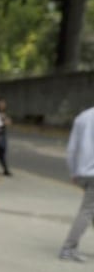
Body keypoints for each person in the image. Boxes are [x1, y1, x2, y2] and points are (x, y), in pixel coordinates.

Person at [58, 106, 94, 263]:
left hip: (83, 171)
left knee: (90, 208)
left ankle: (69, 248)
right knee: (87, 210)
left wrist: (73, 171)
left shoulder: (83, 116)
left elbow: (72, 148)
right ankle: (68, 248)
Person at [0, 97, 12, 176]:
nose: (3, 105)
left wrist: (4, 122)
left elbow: (8, 123)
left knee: (2, 153)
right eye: (1, 103)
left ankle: (5, 169)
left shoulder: (4, 113)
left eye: (3, 103)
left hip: (2, 135)